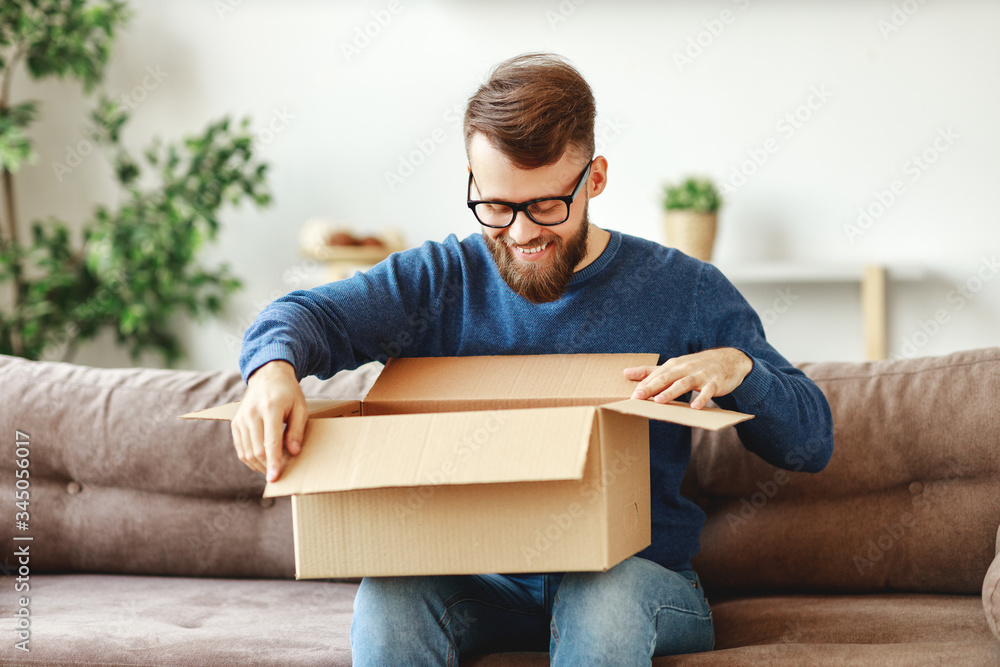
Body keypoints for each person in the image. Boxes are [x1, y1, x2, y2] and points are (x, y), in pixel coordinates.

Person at [231, 53, 834, 666]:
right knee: (389, 597)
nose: (521, 234)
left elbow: (811, 443)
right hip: (483, 581)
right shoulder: (440, 280)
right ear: (471, 180)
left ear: (594, 178)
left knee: (604, 599)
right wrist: (271, 370)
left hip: (632, 579)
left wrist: (743, 370)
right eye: (496, 206)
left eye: (546, 205)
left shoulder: (682, 289)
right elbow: (299, 315)